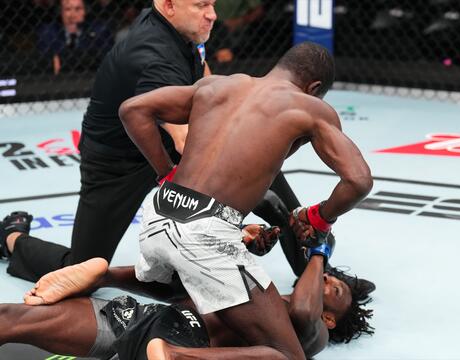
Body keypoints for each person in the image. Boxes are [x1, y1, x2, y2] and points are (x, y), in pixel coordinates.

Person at [4, 0, 322, 293]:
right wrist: (232, 216)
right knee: (83, 273)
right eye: (201, 5)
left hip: (163, 141)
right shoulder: (154, 57)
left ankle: (316, 270)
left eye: (211, 3)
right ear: (169, 5)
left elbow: (205, 84)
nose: (212, 14)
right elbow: (189, 143)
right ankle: (11, 238)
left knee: (258, 158)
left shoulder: (183, 26)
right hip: (117, 161)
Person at [109, 41, 372, 358]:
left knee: (193, 283)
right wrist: (318, 218)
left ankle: (97, 275)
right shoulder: (309, 108)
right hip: (203, 235)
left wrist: (166, 174)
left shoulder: (216, 85)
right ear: (314, 88)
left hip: (157, 216)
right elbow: (358, 180)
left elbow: (132, 110)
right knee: (286, 354)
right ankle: (175, 356)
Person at [3, 237, 373, 359]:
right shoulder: (256, 287)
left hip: (187, 342)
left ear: (331, 319)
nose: (325, 279)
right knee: (12, 317)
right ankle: (104, 273)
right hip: (148, 320)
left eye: (334, 288)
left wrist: (319, 249)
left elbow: (307, 308)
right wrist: (108, 276)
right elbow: (171, 286)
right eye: (325, 278)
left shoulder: (309, 335)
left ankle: (175, 355)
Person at [37, 0, 113, 74]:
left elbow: (106, 60)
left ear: (85, 11)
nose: (72, 14)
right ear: (60, 12)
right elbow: (43, 62)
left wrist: (60, 60)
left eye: (78, 9)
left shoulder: (99, 31)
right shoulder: (48, 32)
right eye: (68, 9)